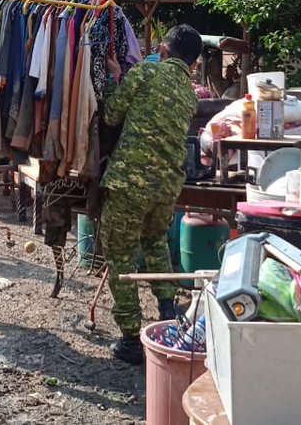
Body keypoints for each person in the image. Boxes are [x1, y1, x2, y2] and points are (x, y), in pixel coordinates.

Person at [99, 24, 202, 365]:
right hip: (166, 186)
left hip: (131, 183)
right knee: (156, 243)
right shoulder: (189, 93)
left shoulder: (146, 72)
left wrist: (114, 78)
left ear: (163, 50)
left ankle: (131, 338)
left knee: (120, 254)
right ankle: (168, 314)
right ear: (193, 63)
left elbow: (111, 114)